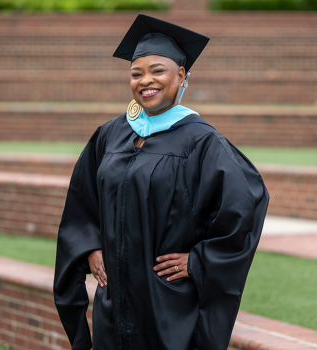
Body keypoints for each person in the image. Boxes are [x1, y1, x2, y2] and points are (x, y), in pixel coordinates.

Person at [53, 14, 270, 350]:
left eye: (157, 70)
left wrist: (199, 260)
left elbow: (244, 206)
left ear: (181, 76)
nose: (145, 81)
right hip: (114, 300)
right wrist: (91, 247)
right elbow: (83, 200)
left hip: (167, 303)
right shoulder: (110, 135)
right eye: (136, 73)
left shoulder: (202, 142)